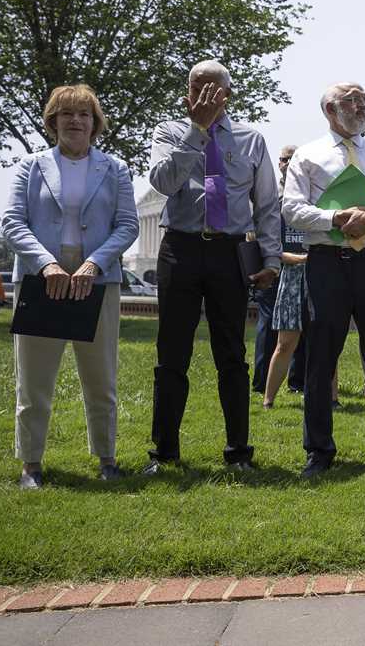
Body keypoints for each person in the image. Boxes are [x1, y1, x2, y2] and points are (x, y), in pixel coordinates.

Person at [145, 60, 280, 474]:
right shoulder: (168, 132)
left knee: (232, 355)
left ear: (227, 94)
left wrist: (272, 258)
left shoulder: (251, 139)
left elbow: (268, 205)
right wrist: (196, 131)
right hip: (180, 249)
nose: (201, 96)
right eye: (194, 88)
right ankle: (165, 453)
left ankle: (238, 452)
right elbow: (163, 182)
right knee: (172, 353)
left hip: (229, 252)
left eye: (211, 89)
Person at [3, 84, 138, 488]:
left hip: (96, 283)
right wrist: (45, 264)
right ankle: (31, 464)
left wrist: (94, 263)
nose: (75, 121)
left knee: (102, 378)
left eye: (84, 114)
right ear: (53, 122)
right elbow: (13, 222)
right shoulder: (31, 166)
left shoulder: (115, 169)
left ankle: (107, 458)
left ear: (95, 123)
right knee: (34, 380)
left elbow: (128, 224)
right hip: (39, 281)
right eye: (66, 114)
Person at [282, 82, 365, 478]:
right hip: (326, 262)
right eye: (350, 101)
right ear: (329, 110)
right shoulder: (308, 155)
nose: (359, 107)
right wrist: (335, 218)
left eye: (362, 101)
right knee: (321, 358)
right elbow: (290, 208)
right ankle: (318, 450)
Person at [262, 145, 312, 408]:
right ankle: (268, 399)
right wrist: (302, 258)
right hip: (291, 280)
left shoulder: (317, 204)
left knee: (324, 345)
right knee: (285, 343)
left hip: (319, 279)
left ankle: (332, 398)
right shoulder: (277, 205)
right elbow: (273, 249)